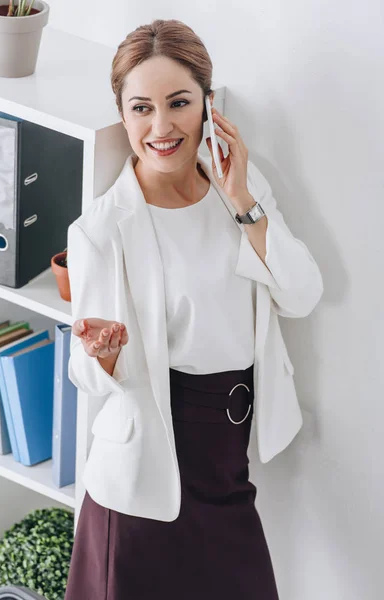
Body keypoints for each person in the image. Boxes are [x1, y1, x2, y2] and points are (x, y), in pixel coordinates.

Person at [64, 18, 323, 600]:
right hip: (143, 486)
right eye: (141, 108)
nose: (161, 126)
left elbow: (301, 295)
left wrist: (242, 201)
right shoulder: (103, 230)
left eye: (179, 102)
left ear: (208, 102)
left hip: (226, 465)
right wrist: (102, 354)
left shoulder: (240, 187)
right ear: (123, 114)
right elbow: (85, 376)